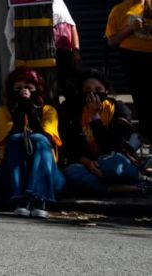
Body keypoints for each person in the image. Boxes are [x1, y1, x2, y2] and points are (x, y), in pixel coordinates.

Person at [58, 69, 148, 197]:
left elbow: (112, 147)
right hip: (88, 164)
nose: (93, 94)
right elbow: (70, 146)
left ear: (106, 91)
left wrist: (95, 117)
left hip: (112, 160)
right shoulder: (72, 110)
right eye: (87, 90)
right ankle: (126, 188)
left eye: (98, 90)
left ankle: (108, 185)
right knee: (72, 172)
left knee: (110, 166)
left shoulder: (118, 110)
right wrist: (88, 163)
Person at [0, 68, 65, 218]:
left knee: (39, 139)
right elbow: (11, 134)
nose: (23, 92)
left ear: (37, 89)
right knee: (15, 139)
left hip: (49, 176)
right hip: (12, 177)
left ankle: (40, 198)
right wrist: (21, 108)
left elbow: (46, 137)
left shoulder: (48, 110)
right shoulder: (3, 112)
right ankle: (21, 199)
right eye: (18, 88)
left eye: (29, 88)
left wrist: (30, 108)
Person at [3, 0, 81, 99]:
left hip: (63, 58)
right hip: (30, 61)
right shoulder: (19, 2)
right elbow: (10, 35)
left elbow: (71, 25)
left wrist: (76, 51)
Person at [105, 0, 152, 129]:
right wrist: (130, 29)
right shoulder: (118, 10)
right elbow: (111, 41)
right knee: (140, 96)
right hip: (131, 57)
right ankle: (146, 134)